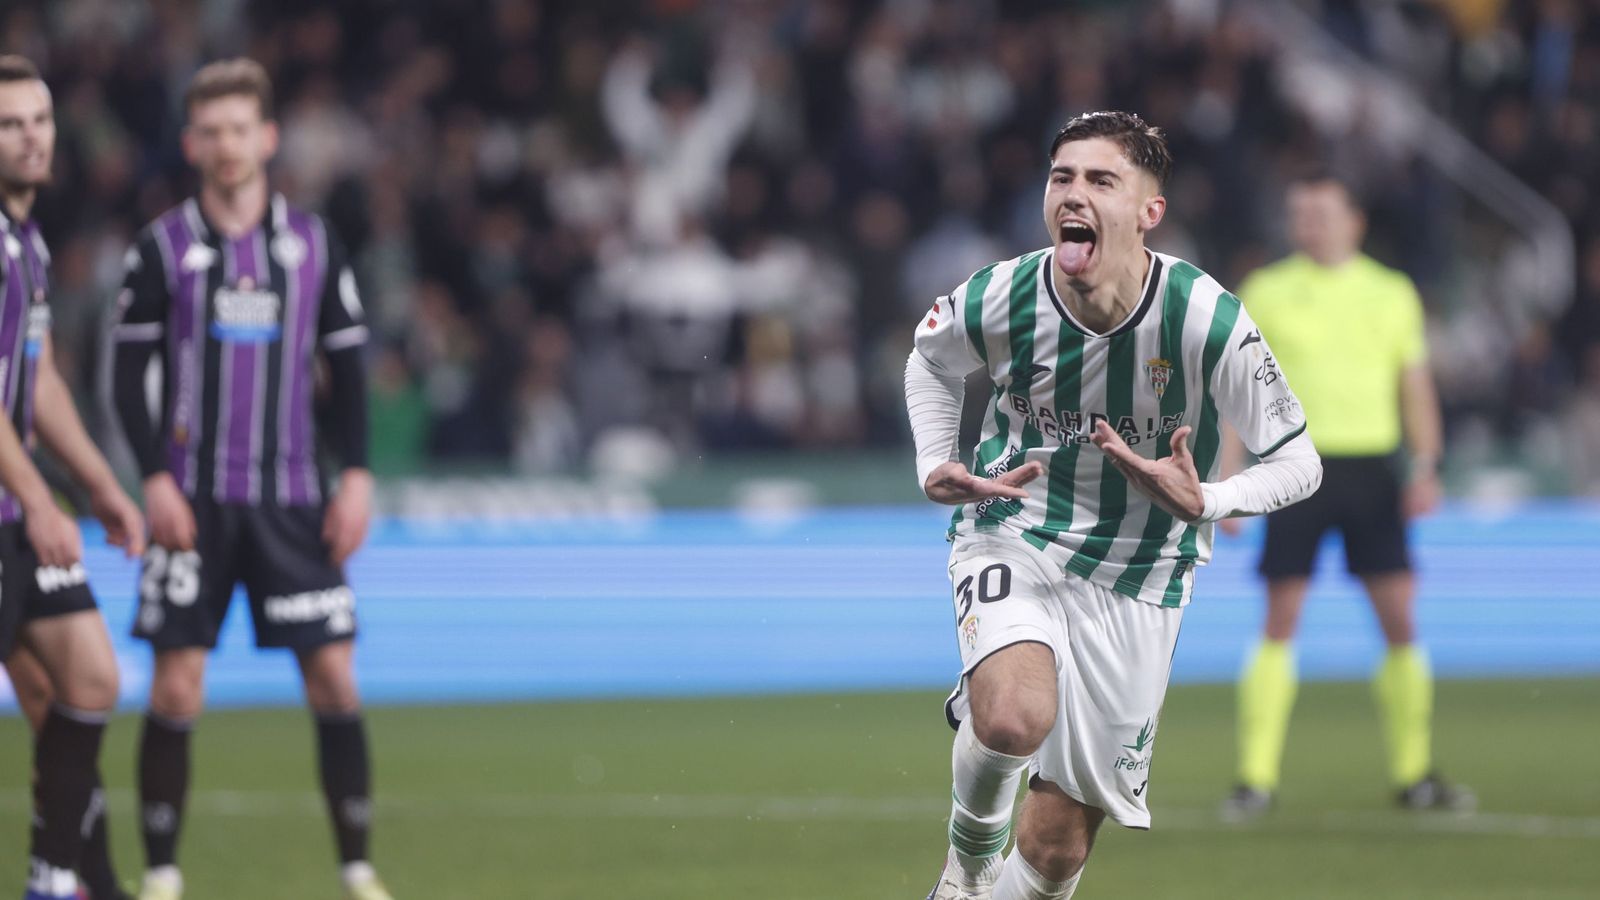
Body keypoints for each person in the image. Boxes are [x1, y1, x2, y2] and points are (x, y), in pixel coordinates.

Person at [906, 110, 1324, 900]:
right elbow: (930, 362)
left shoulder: (1205, 319)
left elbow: (1299, 459)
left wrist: (1210, 499)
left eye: (1102, 180)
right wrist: (937, 459)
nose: (1075, 194)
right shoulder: (1005, 292)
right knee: (1011, 719)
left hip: (1143, 574)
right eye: (1062, 177)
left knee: (1058, 848)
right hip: (1015, 528)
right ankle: (960, 879)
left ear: (1148, 213)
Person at [107, 59, 388, 900]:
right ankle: (161, 872)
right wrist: (153, 476)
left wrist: (360, 476)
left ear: (267, 138)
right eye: (213, 132)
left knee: (334, 674)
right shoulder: (161, 249)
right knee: (176, 681)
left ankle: (357, 866)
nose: (228, 146)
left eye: (241, 129)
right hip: (192, 498)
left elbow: (349, 368)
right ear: (193, 143)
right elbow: (128, 379)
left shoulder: (313, 244)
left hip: (294, 497)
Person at [1219, 172, 1471, 819]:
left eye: (1322, 213)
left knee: (1400, 622)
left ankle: (1414, 773)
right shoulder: (1266, 291)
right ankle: (1255, 778)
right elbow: (1236, 390)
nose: (1310, 225)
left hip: (1372, 471)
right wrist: (1230, 481)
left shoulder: (1391, 294)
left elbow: (1415, 386)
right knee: (1280, 619)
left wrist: (1426, 465)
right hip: (1294, 467)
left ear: (1354, 221)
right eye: (1300, 213)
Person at [0, 54, 145, 900]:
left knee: (84, 682)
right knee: (63, 691)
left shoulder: (26, 240)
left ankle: (63, 880)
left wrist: (98, 482)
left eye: (40, 120)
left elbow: (38, 375)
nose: (31, 138)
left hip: (17, 512)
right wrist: (36, 493)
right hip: (14, 506)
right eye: (11, 124)